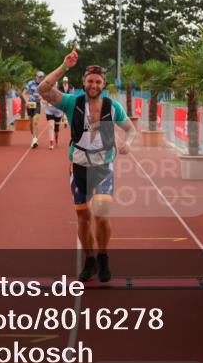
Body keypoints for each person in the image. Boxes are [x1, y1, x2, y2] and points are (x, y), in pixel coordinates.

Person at [38, 48, 137, 282]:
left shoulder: (113, 107)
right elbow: (43, 89)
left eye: (98, 81)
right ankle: (89, 259)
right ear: (83, 83)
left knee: (102, 216)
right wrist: (65, 66)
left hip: (103, 167)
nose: (93, 84)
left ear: (104, 84)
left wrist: (129, 143)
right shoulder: (72, 102)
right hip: (79, 166)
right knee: (83, 217)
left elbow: (130, 129)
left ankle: (103, 258)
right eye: (90, 81)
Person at [23, 71, 46, 149]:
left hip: (37, 105)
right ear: (36, 77)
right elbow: (23, 93)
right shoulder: (30, 83)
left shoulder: (43, 85)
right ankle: (33, 137)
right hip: (30, 104)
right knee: (30, 122)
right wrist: (26, 102)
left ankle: (35, 139)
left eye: (42, 77)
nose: (40, 79)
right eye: (39, 77)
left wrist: (42, 98)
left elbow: (45, 95)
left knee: (35, 121)